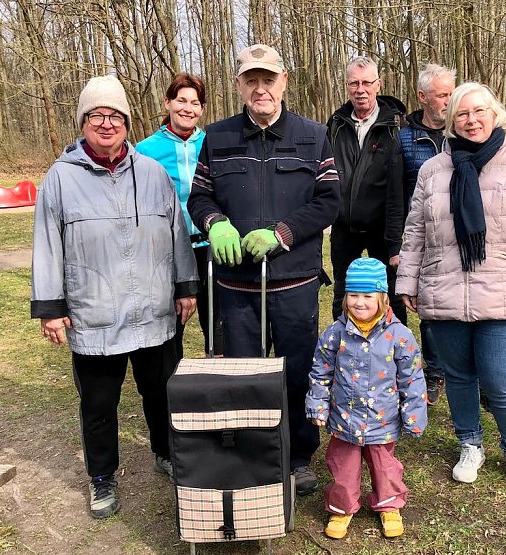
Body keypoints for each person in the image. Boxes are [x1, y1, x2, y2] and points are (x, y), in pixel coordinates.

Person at [31, 75, 199, 519]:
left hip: (153, 310)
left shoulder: (152, 173)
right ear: (83, 122)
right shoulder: (60, 179)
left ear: (127, 121)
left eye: (115, 116)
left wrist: (185, 286)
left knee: (161, 394)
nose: (107, 124)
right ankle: (102, 476)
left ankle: (166, 453)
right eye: (96, 116)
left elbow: (177, 232)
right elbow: (47, 244)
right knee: (99, 404)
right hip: (95, 314)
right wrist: (50, 307)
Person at [187, 44, 339, 496]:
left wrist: (283, 233)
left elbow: (329, 201)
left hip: (295, 282)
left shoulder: (314, 136)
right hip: (236, 287)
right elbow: (200, 197)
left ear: (284, 81)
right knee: (244, 377)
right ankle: (254, 456)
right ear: (239, 85)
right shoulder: (216, 137)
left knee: (297, 372)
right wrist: (214, 224)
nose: (260, 88)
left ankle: (297, 458)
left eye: (268, 79)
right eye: (251, 80)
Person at [396, 82, 506, 492]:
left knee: (503, 381)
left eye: (479, 111)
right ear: (452, 120)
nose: (472, 120)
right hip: (445, 289)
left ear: (495, 114)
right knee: (460, 377)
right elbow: (415, 230)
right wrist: (408, 279)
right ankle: (470, 444)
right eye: (463, 114)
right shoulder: (434, 169)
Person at [306, 257, 427, 540]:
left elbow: (412, 378)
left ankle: (388, 504)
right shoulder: (335, 334)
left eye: (367, 296)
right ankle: (341, 507)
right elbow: (320, 372)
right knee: (343, 468)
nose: (359, 303)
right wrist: (318, 404)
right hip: (344, 420)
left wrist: (414, 415)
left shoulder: (400, 335)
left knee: (385, 468)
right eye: (353, 296)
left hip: (382, 420)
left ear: (382, 298)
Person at [136, 73, 224, 357]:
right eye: (181, 100)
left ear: (202, 109)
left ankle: (220, 382)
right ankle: (169, 386)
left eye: (195, 103)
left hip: (211, 246)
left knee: (217, 321)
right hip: (170, 248)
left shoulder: (213, 144)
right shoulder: (145, 151)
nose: (188, 109)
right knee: (173, 321)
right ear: (168, 102)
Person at [327, 56, 407, 325]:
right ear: (347, 86)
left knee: (390, 294)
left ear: (378, 84)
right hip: (344, 226)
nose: (360, 89)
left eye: (366, 83)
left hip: (383, 228)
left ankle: (395, 352)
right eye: (354, 83)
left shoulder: (396, 125)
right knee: (343, 292)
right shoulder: (335, 125)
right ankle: (341, 349)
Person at [398, 62, 455, 405]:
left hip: (459, 236)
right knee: (429, 309)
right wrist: (399, 243)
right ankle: (432, 373)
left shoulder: (463, 132)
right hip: (423, 235)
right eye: (442, 94)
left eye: (451, 92)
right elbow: (395, 194)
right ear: (422, 97)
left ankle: (471, 374)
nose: (449, 100)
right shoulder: (403, 138)